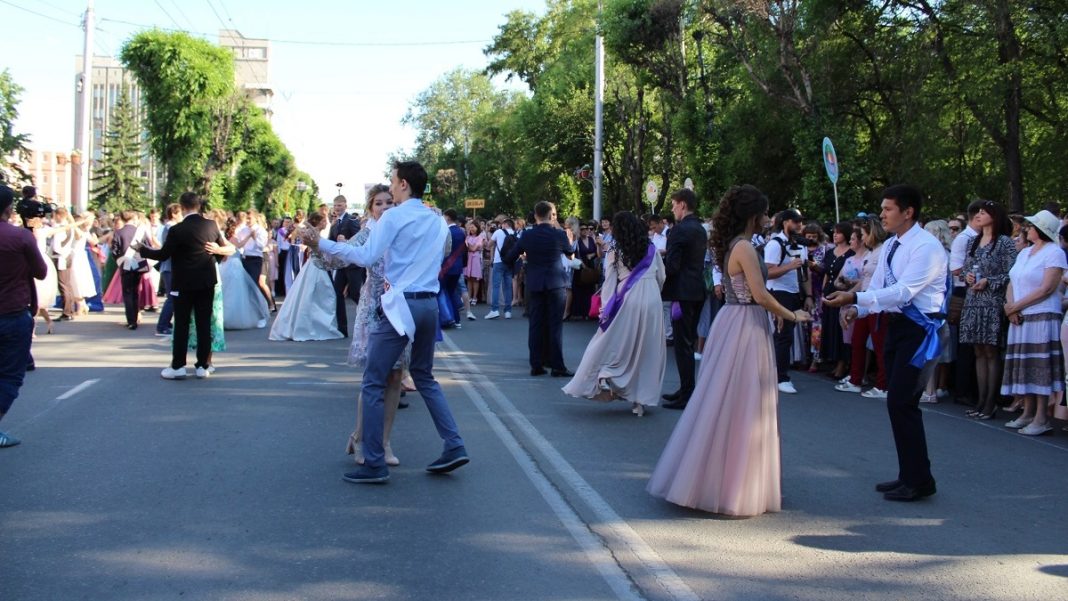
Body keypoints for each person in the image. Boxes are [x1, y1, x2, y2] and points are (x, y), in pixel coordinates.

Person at [647, 185, 811, 516]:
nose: (768, 219)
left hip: (739, 322)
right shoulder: (745, 248)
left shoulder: (737, 245)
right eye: (765, 213)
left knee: (729, 400)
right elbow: (761, 294)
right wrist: (792, 314)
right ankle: (731, 484)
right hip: (745, 324)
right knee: (742, 402)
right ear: (753, 216)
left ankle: (727, 478)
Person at [305, 160, 468, 484]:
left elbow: (365, 256)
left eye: (393, 182)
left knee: (374, 380)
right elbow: (443, 255)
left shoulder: (394, 217)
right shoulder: (436, 220)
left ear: (404, 184)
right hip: (428, 305)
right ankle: (453, 443)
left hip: (400, 306)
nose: (390, 188)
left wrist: (319, 241)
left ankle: (374, 462)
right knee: (423, 376)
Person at [826, 184, 948, 502]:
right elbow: (879, 286)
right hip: (896, 326)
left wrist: (854, 296)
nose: (882, 214)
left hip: (921, 331)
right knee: (897, 402)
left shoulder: (927, 247)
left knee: (902, 403)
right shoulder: (893, 245)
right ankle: (910, 474)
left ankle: (920, 480)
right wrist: (858, 308)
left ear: (908, 212)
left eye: (888, 209)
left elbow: (904, 292)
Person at [562, 211, 665, 416]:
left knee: (613, 343)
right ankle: (640, 400)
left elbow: (609, 281)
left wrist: (605, 309)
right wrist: (653, 293)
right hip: (652, 299)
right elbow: (662, 276)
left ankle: (608, 374)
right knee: (646, 350)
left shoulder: (614, 250)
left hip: (627, 299)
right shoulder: (651, 248)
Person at [135, 192, 235, 380]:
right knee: (203, 323)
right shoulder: (211, 225)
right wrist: (217, 252)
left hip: (183, 283)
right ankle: (203, 366)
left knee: (181, 324)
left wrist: (142, 249)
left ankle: (178, 366)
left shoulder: (177, 230)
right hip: (206, 282)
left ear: (182, 206)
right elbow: (225, 250)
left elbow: (163, 254)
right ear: (199, 205)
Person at [346, 184, 406, 467]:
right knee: (374, 378)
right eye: (379, 203)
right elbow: (339, 256)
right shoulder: (367, 234)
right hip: (373, 309)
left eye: (389, 203)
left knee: (395, 377)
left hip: (400, 309)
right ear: (370, 208)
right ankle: (360, 439)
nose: (384, 208)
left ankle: (384, 441)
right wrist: (315, 244)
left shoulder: (402, 233)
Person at [1001, 210, 1066, 436]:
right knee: (1025, 366)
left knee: (1040, 367)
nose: (1026, 229)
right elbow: (1012, 280)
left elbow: (1047, 288)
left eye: (1031, 226)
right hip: (1020, 316)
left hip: (1041, 315)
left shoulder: (1054, 252)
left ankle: (1041, 417)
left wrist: (1016, 306)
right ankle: (1027, 412)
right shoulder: (1025, 253)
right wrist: (1010, 307)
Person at [503, 201, 575, 378]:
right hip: (555, 283)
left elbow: (510, 257)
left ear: (535, 215)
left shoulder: (527, 235)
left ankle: (536, 364)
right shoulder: (559, 234)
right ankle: (557, 365)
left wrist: (525, 257)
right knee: (555, 326)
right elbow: (570, 254)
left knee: (535, 325)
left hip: (534, 284)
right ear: (551, 215)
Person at [0, 185, 48, 448]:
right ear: (9, 209)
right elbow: (41, 272)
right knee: (9, 375)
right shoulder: (20, 237)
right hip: (12, 312)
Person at [958, 200, 1016, 418]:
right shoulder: (973, 241)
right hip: (972, 300)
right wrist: (968, 276)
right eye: (978, 212)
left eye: (984, 212)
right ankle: (980, 400)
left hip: (992, 301)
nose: (979, 215)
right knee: (978, 350)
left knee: (991, 351)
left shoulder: (1004, 243)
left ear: (995, 215)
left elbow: (1012, 272)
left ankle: (991, 401)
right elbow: (963, 270)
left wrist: (990, 281)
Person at [659, 189, 708, 410]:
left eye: (673, 204)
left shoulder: (678, 231)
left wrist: (659, 264)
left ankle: (687, 393)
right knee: (686, 342)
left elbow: (673, 266)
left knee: (682, 345)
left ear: (682, 205)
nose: (671, 209)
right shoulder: (699, 229)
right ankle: (685, 388)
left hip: (681, 293)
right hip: (696, 290)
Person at [269, 212, 345, 341]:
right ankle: (313, 325)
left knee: (316, 294)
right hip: (316, 265)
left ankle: (317, 323)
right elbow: (316, 250)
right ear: (319, 222)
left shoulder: (315, 233)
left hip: (317, 265)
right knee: (318, 293)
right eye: (324, 221)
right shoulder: (313, 233)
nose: (326, 223)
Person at [764, 209, 813, 394]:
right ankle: (780, 377)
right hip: (778, 293)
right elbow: (767, 271)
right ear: (785, 222)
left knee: (786, 335)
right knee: (783, 335)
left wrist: (808, 296)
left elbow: (805, 272)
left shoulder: (801, 245)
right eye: (795, 221)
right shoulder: (775, 244)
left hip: (794, 293)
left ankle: (777, 373)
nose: (799, 225)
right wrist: (790, 266)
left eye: (800, 221)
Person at [328, 195, 362, 337]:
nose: (337, 208)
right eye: (335, 206)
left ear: (345, 206)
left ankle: (371, 315)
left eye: (340, 205)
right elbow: (330, 242)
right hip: (341, 265)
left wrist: (347, 241)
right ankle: (342, 328)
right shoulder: (335, 224)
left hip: (353, 264)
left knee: (355, 294)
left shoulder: (352, 221)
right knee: (337, 293)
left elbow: (360, 240)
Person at [485, 218, 516, 319]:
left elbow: (489, 246)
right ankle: (508, 311)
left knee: (496, 286)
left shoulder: (498, 232)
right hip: (510, 262)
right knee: (508, 287)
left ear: (505, 224)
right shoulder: (515, 233)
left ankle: (495, 310)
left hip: (499, 261)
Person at [463, 221, 483, 319]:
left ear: (477, 228)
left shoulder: (479, 237)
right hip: (468, 258)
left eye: (473, 227)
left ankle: (475, 297)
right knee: (469, 278)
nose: (471, 229)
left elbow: (474, 248)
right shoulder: (467, 237)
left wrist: (468, 246)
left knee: (475, 278)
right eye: (470, 227)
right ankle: (469, 296)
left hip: (475, 258)